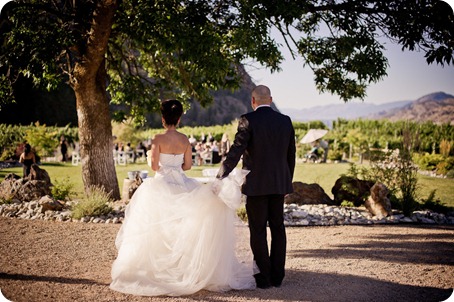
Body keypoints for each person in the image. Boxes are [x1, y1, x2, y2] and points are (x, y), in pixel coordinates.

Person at [110, 100, 256, 297]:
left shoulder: (157, 139)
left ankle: (156, 269)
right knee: (181, 227)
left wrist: (158, 162)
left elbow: (154, 167)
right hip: (181, 184)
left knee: (155, 227)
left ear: (163, 119)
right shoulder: (185, 140)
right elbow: (187, 166)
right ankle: (181, 266)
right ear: (179, 119)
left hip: (160, 184)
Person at [215, 85, 296, 289]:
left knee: (258, 230)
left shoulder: (247, 120)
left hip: (256, 186)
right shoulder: (285, 121)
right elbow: (290, 155)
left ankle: (264, 278)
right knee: (278, 228)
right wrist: (287, 181)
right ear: (270, 99)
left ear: (253, 101)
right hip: (279, 184)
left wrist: (221, 175)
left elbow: (236, 151)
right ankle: (278, 276)